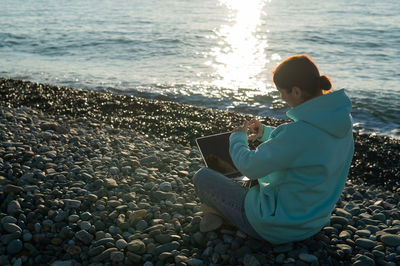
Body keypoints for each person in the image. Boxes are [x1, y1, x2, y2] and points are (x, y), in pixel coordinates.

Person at [193, 54, 354, 244]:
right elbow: (305, 147)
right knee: (248, 182)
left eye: (281, 92)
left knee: (202, 177)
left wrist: (237, 139)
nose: (281, 98)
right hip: (312, 222)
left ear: (296, 91)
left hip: (275, 226)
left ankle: (227, 217)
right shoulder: (341, 124)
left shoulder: (298, 132)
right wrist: (266, 133)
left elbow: (249, 166)